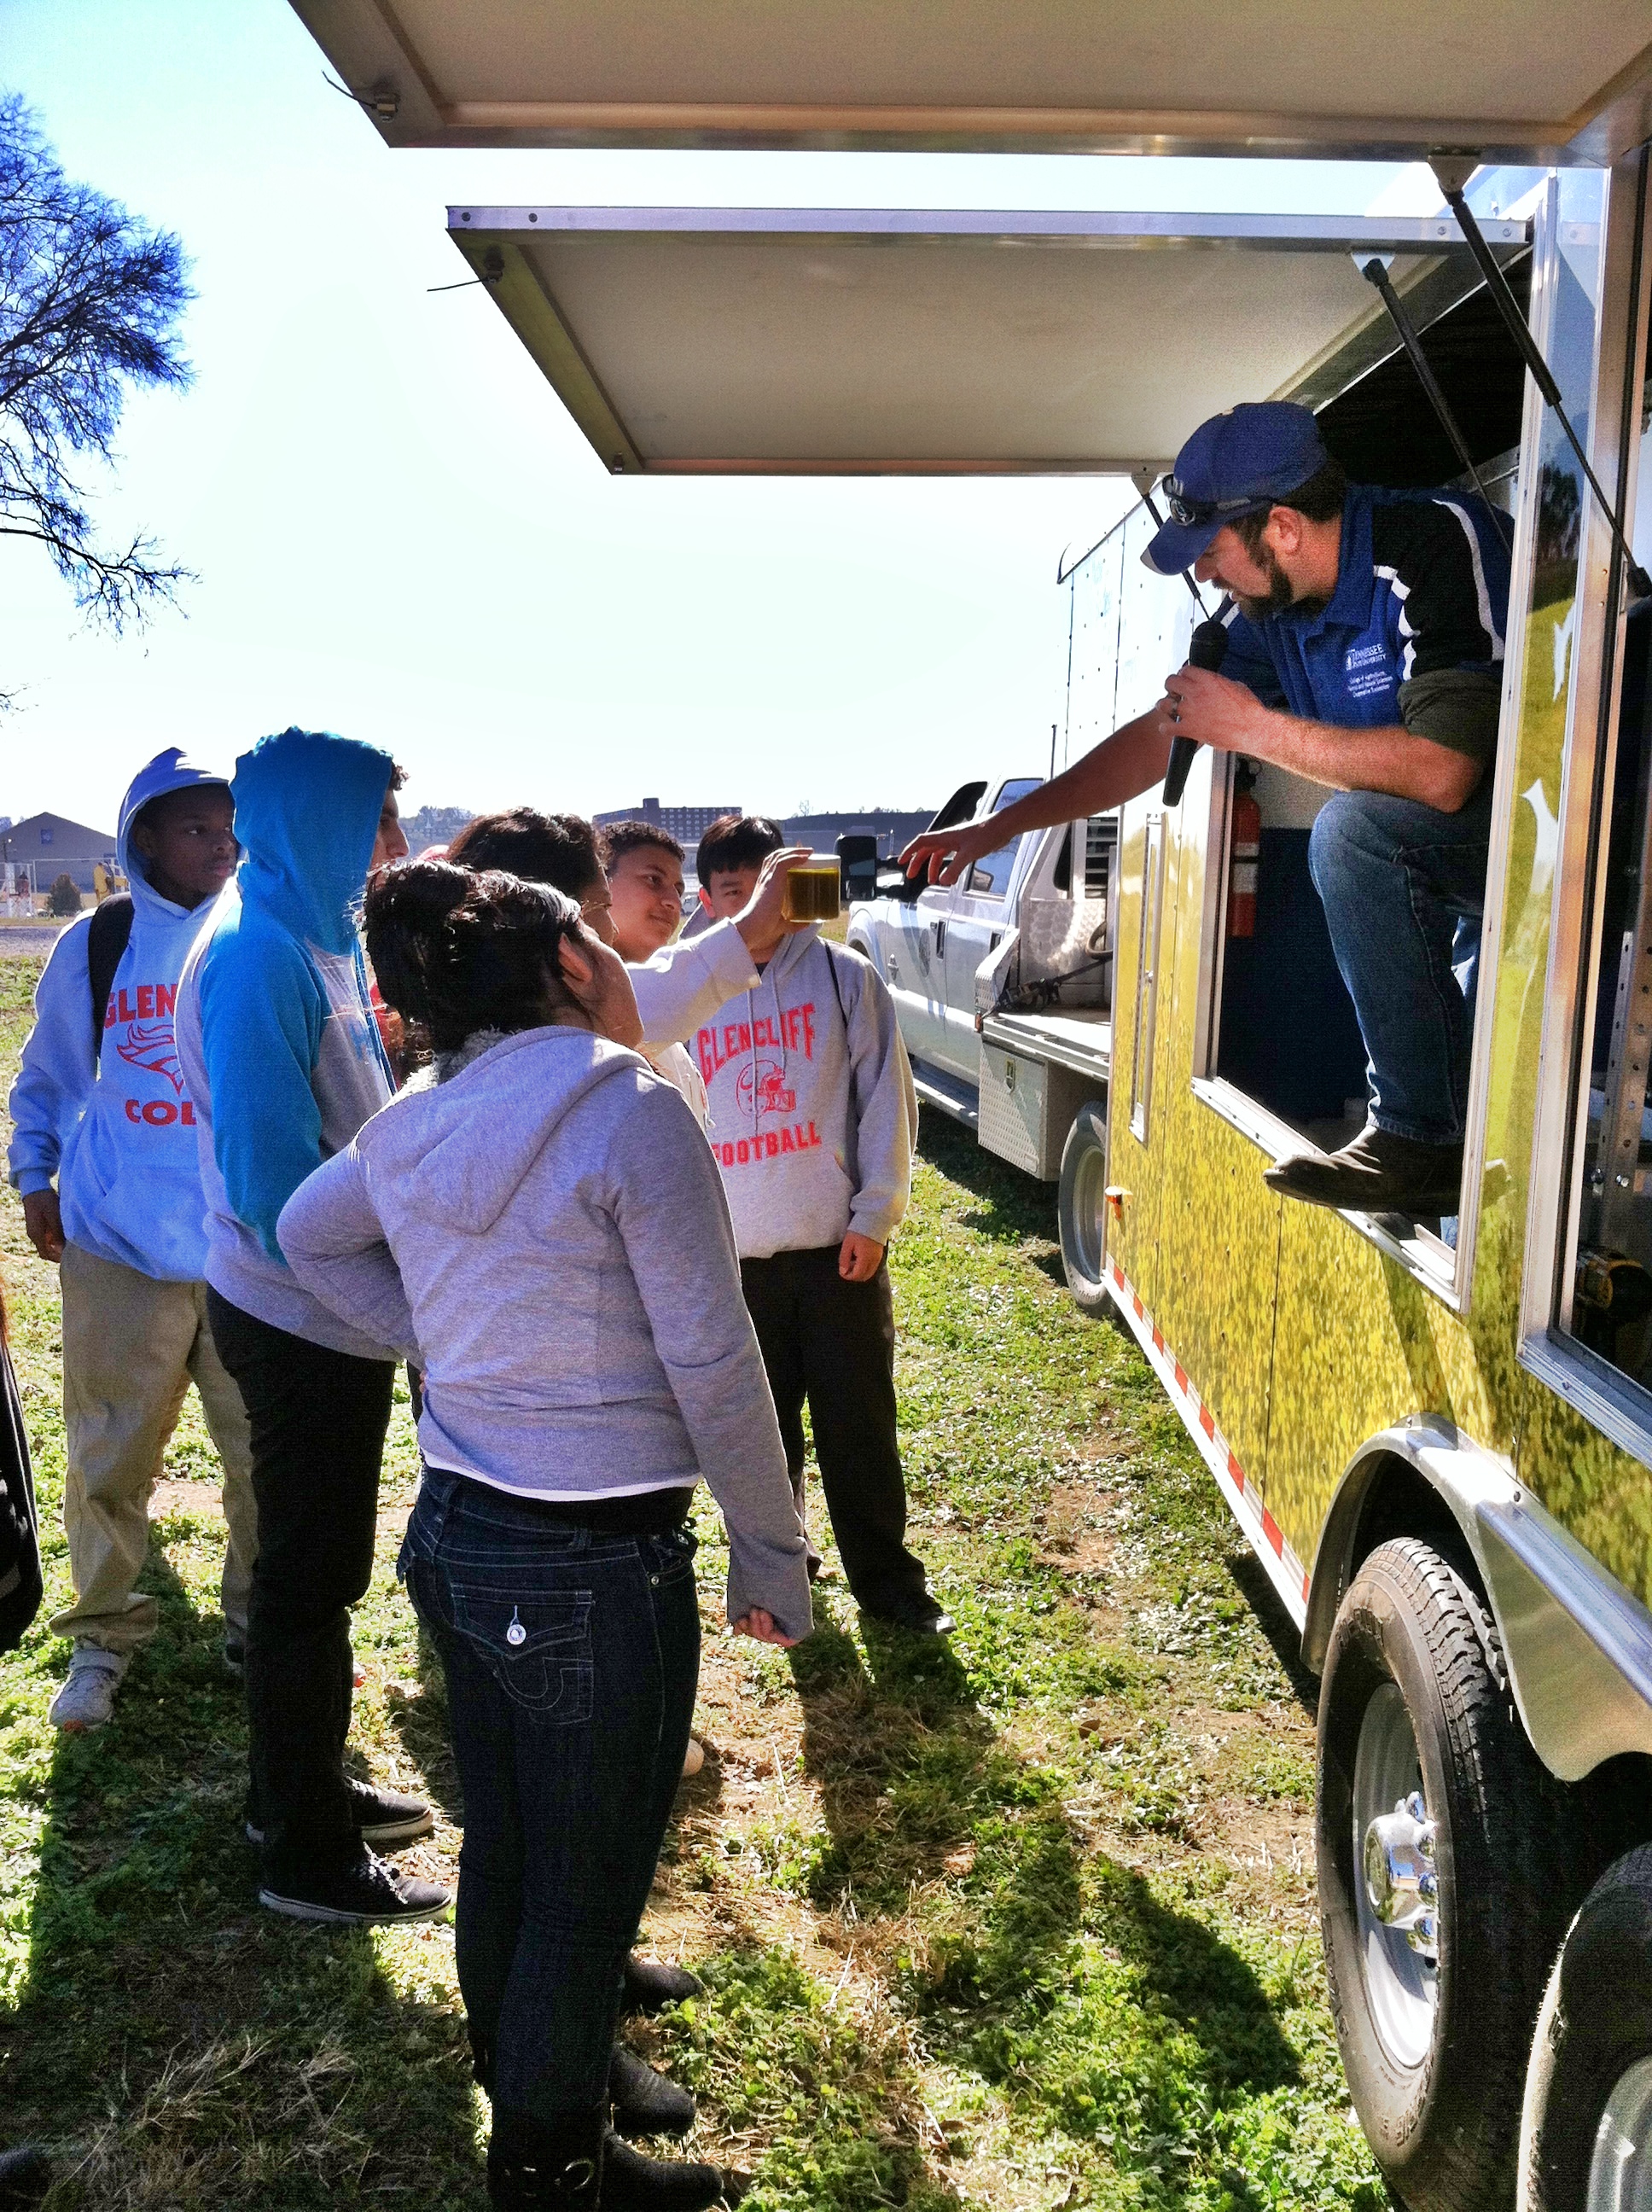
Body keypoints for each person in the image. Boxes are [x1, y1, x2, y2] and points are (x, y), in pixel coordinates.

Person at [276, 862, 811, 2212]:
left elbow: (303, 1235)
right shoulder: (627, 1108)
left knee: (512, 1843)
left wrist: (449, 1351)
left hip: (460, 1537)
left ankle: (523, 2074)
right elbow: (713, 1350)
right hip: (589, 1558)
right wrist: (771, 1545)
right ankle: (550, 2166)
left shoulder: (418, 1117)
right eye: (599, 932)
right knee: (587, 1873)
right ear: (571, 966)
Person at [901, 401, 1513, 1218]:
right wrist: (1000, 826)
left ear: (1283, 527)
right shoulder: (1274, 610)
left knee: (1352, 833)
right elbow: (1161, 737)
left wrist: (1254, 728)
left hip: (1548, 835)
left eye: (1213, 551)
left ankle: (1415, 1139)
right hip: (1450, 871)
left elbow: (1446, 775)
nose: (1205, 576)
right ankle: (1434, 1148)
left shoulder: (1429, 544)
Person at [174, 728, 446, 1928]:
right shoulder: (255, 953)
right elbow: (270, 1190)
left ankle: (308, 1788)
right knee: (304, 1586)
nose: (394, 844)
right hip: (299, 1316)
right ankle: (303, 1850)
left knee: (316, 1576)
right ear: (315, 820)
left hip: (324, 1310)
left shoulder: (311, 933)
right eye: (380, 819)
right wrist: (402, 1315)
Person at [7, 750, 257, 1731]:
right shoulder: (98, 941)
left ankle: (258, 1629)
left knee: (260, 1458)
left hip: (246, 1254)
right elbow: (49, 1072)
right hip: (116, 1243)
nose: (218, 846)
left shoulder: (257, 937)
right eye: (195, 828)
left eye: (228, 829)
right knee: (109, 1455)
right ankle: (105, 1640)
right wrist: (34, 1174)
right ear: (142, 836)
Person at [694, 815, 945, 1634]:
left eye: (773, 889)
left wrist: (874, 1217)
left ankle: (889, 1585)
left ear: (798, 892)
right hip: (737, 1260)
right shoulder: (690, 992)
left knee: (858, 1429)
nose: (761, 910)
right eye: (737, 893)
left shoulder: (844, 976)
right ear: (713, 899)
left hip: (838, 1255)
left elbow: (885, 1103)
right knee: (765, 1442)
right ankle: (781, 1568)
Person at [596, 821, 708, 1126]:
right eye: (653, 880)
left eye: (678, 889)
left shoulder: (662, 1002)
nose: (673, 901)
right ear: (600, 882)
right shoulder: (581, 999)